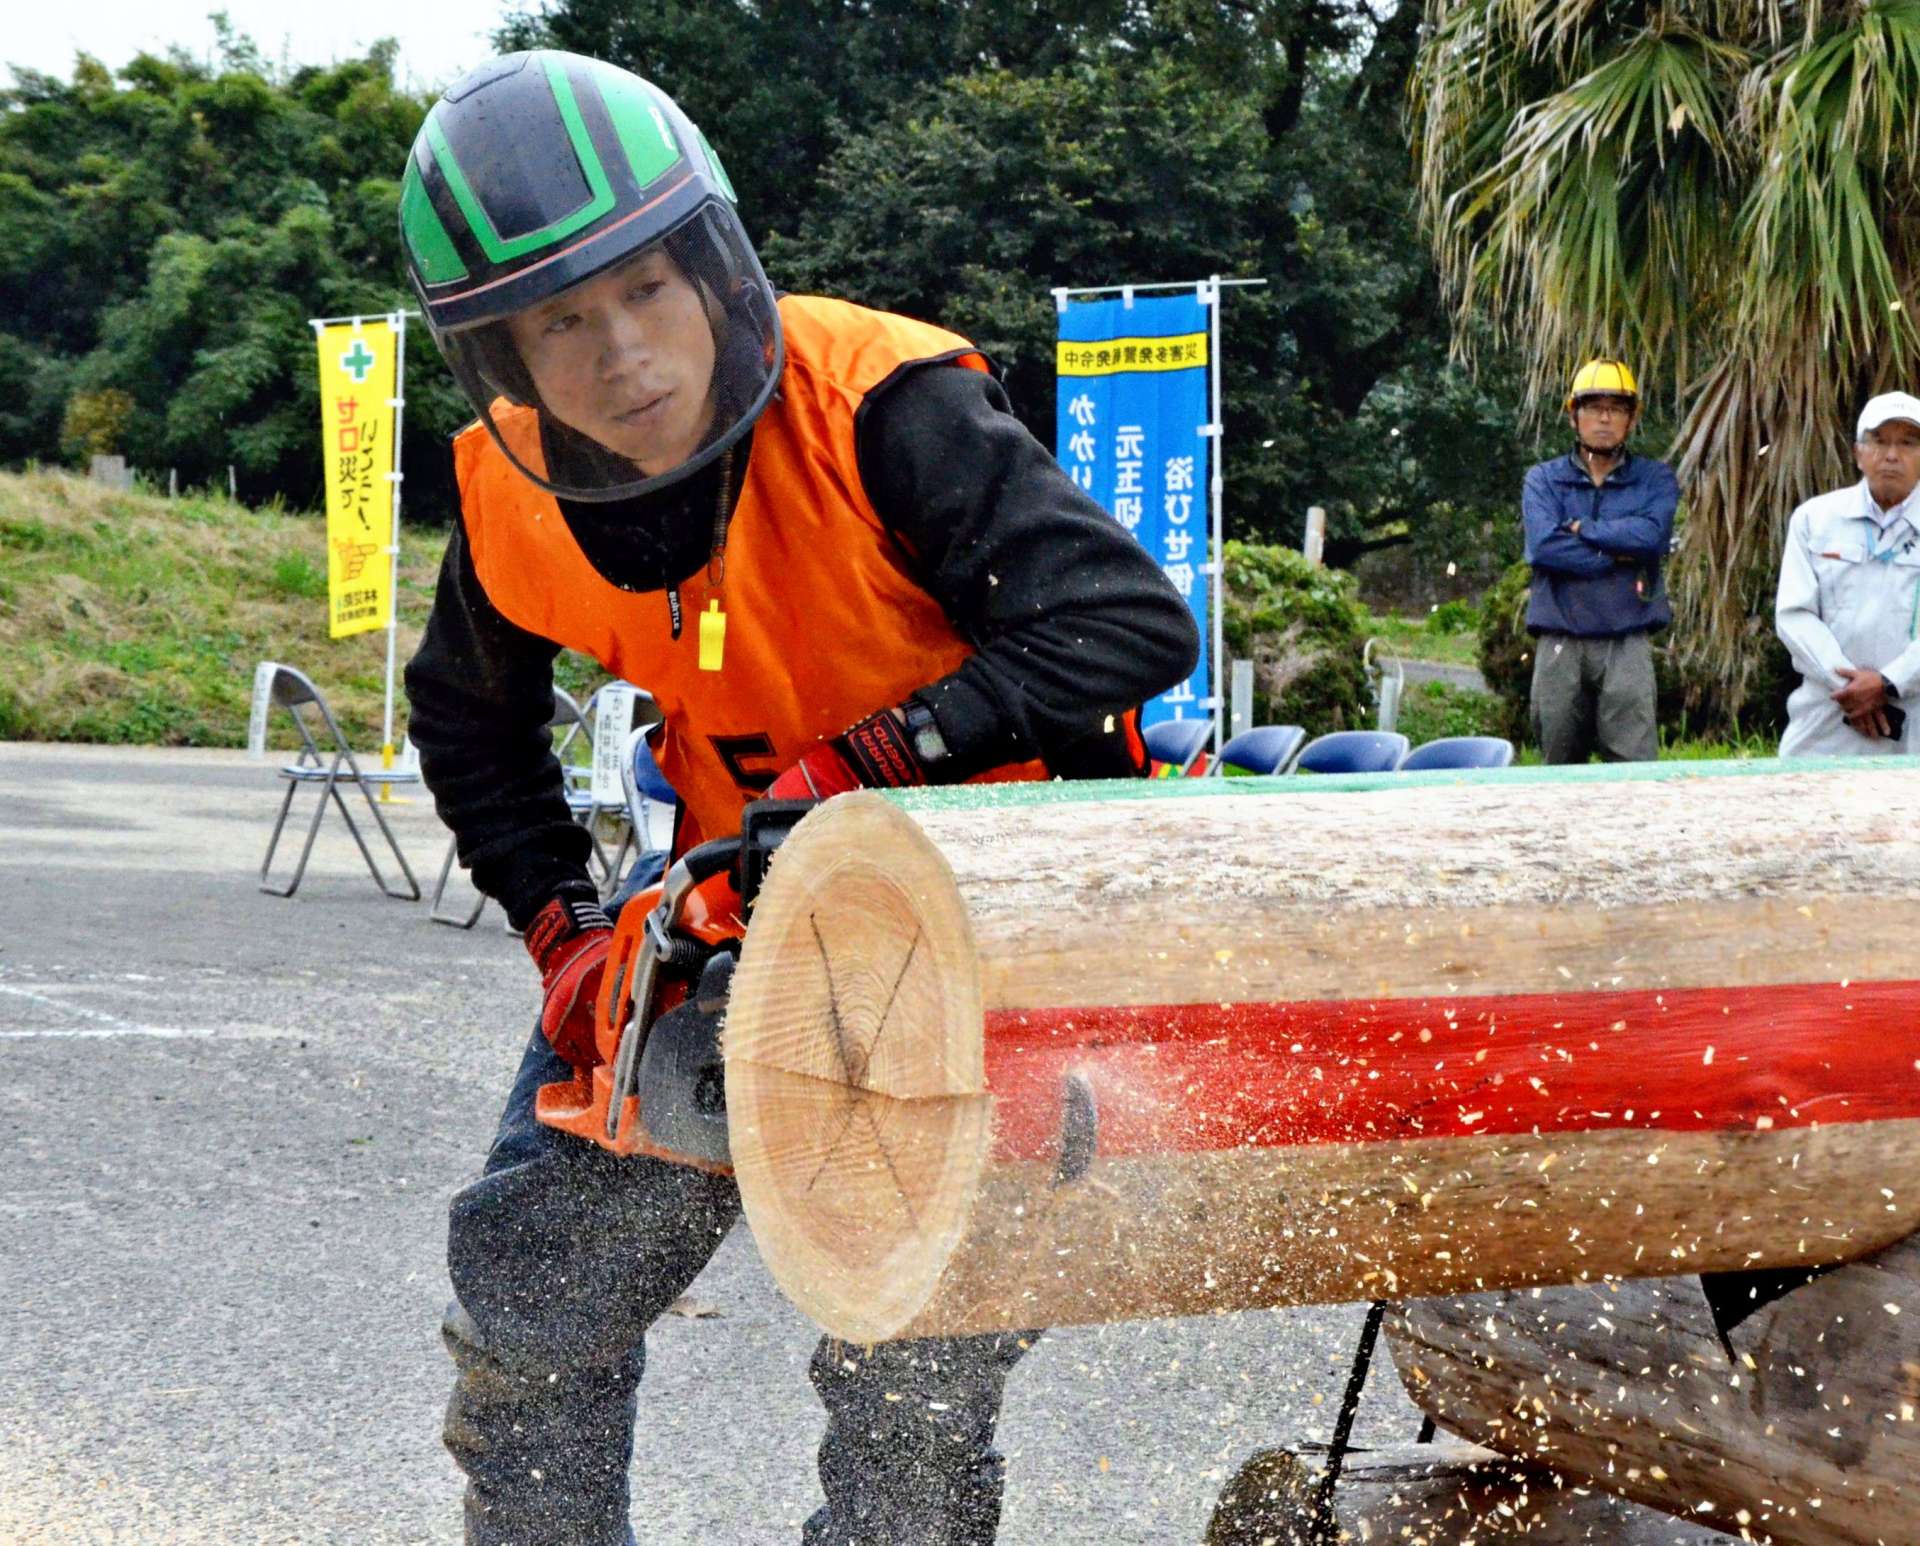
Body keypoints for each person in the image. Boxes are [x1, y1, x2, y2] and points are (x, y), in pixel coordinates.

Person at [397, 50, 1198, 1546]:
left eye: (643, 289)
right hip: (741, 909)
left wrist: (871, 765)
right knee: (535, 1295)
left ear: (708, 263)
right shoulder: (506, 499)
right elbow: (465, 717)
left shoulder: (882, 404)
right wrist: (563, 926)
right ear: (498, 357)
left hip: (975, 926)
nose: (623, 350)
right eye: (561, 321)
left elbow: (1126, 625)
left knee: (908, 1365)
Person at [1519, 359, 1678, 763]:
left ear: (1631, 418)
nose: (1605, 418)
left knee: (1633, 771)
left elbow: (1651, 537)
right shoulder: (1544, 479)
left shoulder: (1653, 478)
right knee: (1557, 767)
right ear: (1574, 415)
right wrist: (1616, 556)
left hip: (1626, 638)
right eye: (1593, 407)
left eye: (1617, 408)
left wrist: (1582, 529)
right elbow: (1543, 547)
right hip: (1560, 639)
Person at [1775, 392, 1920, 757]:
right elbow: (1795, 615)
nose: (1891, 455)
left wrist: (1888, 682)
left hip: (1914, 716)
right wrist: (1850, 689)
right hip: (1829, 712)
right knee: (1799, 807)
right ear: (1858, 453)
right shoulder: (1815, 519)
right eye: (1879, 441)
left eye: (1908, 443)